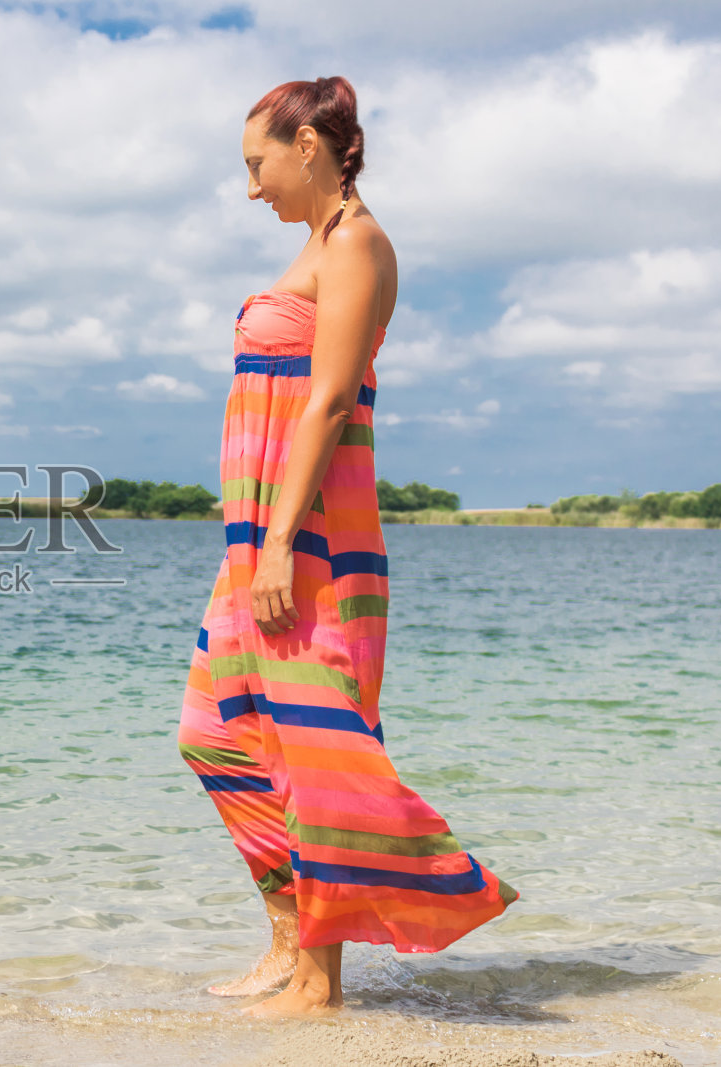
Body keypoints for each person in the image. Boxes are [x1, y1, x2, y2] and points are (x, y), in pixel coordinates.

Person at [176, 76, 517, 1018]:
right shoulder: (317, 248)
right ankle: (290, 941)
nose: (253, 190)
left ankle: (321, 984)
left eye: (259, 165)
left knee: (315, 749)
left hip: (310, 542)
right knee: (217, 734)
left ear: (311, 146)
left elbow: (328, 401)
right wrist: (255, 541)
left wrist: (282, 541)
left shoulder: (359, 244)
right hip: (258, 542)